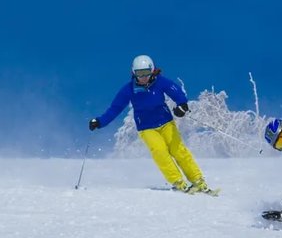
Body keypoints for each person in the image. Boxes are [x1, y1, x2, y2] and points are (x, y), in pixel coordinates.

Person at [89, 55, 214, 195]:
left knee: (178, 150)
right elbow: (115, 109)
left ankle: (197, 180)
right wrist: (100, 121)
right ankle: (178, 181)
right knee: (159, 151)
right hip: (146, 128)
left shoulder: (160, 82)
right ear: (133, 73)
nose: (143, 77)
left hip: (166, 123)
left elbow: (176, 91)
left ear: (152, 71)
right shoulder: (129, 89)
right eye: (139, 74)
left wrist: (182, 105)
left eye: (146, 73)